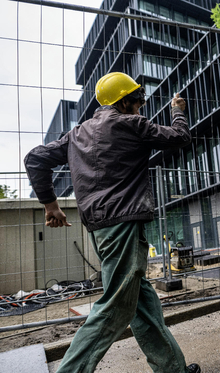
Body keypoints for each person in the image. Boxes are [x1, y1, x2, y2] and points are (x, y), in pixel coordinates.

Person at [24, 72, 200, 373]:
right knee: (116, 306)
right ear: (126, 102)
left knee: (141, 302)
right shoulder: (130, 124)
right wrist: (178, 111)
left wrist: (51, 205)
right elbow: (180, 137)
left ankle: (173, 369)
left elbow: (35, 158)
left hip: (99, 227)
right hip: (124, 224)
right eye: (138, 102)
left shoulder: (77, 134)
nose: (141, 108)